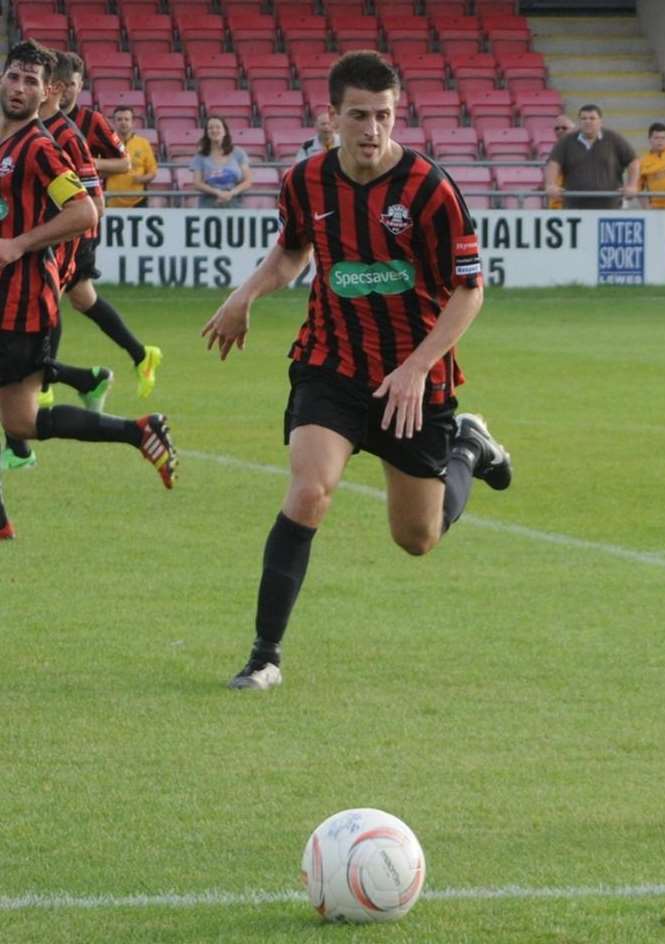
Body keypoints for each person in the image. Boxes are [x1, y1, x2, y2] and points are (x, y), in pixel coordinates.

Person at [202, 51, 512, 691]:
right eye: (359, 115)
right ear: (332, 116)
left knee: (418, 538)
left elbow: (469, 290)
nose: (373, 129)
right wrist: (245, 295)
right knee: (310, 491)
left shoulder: (431, 189)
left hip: (413, 380)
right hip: (331, 363)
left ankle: (469, 448)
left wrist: (417, 367)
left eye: (385, 115)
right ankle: (264, 657)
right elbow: (291, 254)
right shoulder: (305, 182)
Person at [0, 41, 177, 540]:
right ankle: (139, 430)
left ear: (45, 92)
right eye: (14, 76)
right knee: (22, 422)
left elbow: (84, 212)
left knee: (21, 423)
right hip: (11, 303)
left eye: (30, 82)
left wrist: (19, 244)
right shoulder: (5, 142)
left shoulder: (38, 147)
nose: (19, 88)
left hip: (22, 306)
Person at [59, 53, 164, 401]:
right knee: (81, 297)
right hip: (52, 218)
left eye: (71, 85)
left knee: (46, 293)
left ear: (80, 86)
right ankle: (140, 354)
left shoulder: (91, 122)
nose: (64, 92)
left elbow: (122, 162)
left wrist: (86, 161)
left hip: (82, 221)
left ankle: (41, 383)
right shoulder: (41, 119)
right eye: (59, 86)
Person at [543, 104, 639, 209]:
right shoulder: (566, 140)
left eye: (592, 118)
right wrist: (550, 185)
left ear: (600, 121)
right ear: (579, 121)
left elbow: (633, 160)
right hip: (574, 208)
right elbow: (553, 163)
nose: (587, 121)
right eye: (584, 118)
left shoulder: (614, 138)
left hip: (610, 208)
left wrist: (632, 185)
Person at [190, 116, 253, 208]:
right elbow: (197, 183)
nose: (214, 130)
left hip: (234, 204)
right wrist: (218, 193)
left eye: (218, 127)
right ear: (207, 133)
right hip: (208, 205)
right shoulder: (200, 156)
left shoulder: (238, 153)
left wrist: (231, 193)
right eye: (210, 128)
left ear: (225, 131)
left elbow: (248, 180)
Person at [104, 105, 157, 207]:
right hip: (111, 202)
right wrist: (114, 169)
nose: (123, 122)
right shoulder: (106, 144)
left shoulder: (143, 143)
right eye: (119, 119)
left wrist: (141, 179)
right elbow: (98, 170)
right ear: (114, 122)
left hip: (138, 202)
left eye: (126, 119)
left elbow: (152, 172)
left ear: (133, 122)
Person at [546, 113, 575, 210]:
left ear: (574, 130)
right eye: (557, 128)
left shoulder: (581, 149)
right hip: (557, 205)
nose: (560, 131)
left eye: (564, 128)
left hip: (575, 203)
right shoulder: (554, 150)